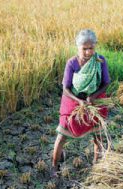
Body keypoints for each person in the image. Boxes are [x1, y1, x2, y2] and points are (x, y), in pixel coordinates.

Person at [51, 29, 111, 178]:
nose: (88, 52)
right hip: (73, 102)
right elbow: (65, 88)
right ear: (78, 47)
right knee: (62, 135)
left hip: (94, 102)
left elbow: (106, 82)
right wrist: (78, 100)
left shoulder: (100, 61)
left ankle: (97, 163)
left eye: (91, 48)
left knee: (97, 135)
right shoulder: (71, 63)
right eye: (84, 49)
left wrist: (94, 96)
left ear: (95, 46)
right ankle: (54, 166)